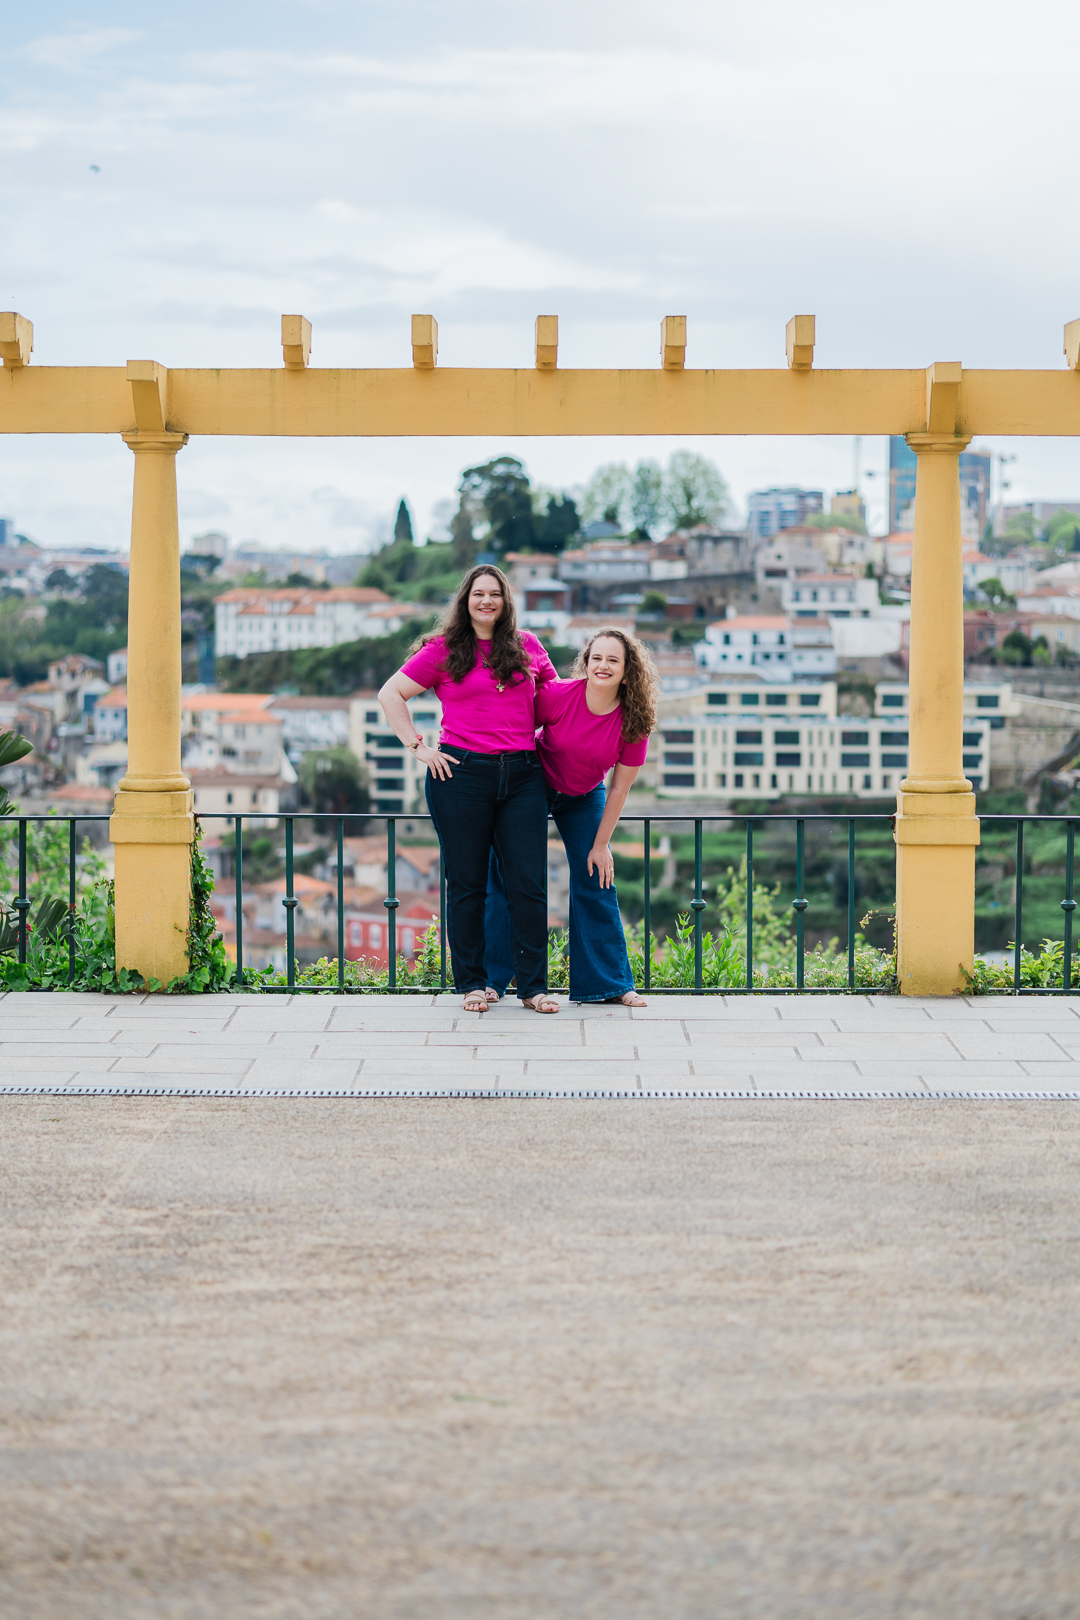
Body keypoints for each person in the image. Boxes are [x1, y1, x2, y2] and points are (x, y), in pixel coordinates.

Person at [378, 565, 560, 1015]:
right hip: (460, 776)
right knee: (467, 885)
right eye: (478, 594)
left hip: (523, 774)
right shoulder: (443, 650)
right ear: (466, 600)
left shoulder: (528, 646)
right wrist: (418, 747)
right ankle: (473, 984)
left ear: (505, 600)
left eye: (494, 594)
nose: (486, 601)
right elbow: (391, 694)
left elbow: (556, 703)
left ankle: (534, 987)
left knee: (528, 885)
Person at [484, 628, 657, 1007]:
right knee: (507, 876)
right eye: (597, 658)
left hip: (584, 794)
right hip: (534, 784)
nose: (603, 665)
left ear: (628, 672)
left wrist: (600, 845)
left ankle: (609, 984)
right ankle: (491, 980)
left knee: (597, 877)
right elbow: (514, 727)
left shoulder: (635, 720)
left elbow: (619, 787)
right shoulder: (560, 695)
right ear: (586, 663)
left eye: (613, 660)